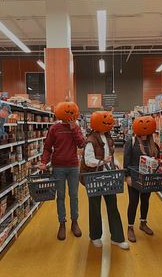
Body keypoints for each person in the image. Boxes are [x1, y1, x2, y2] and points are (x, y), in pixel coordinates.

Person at [80, 111, 129, 250]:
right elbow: (88, 161)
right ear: (96, 123)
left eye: (110, 121)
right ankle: (95, 236)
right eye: (105, 121)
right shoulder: (91, 140)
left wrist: (117, 163)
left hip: (109, 178)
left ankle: (117, 238)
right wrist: (102, 161)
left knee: (113, 206)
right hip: (94, 178)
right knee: (95, 208)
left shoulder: (108, 138)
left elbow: (110, 156)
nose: (109, 123)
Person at [40, 101, 85, 241]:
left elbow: (81, 143)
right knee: (60, 196)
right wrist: (43, 162)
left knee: (74, 195)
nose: (69, 114)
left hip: (73, 166)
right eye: (67, 111)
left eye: (71, 112)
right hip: (58, 167)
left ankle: (74, 222)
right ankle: (62, 223)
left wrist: (74, 128)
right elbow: (47, 147)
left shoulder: (76, 128)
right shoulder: (54, 128)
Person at [123, 115, 159, 243]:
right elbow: (126, 160)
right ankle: (130, 227)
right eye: (142, 123)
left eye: (148, 123)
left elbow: (156, 160)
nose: (145, 126)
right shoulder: (131, 142)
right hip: (134, 177)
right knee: (133, 201)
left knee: (145, 200)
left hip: (147, 178)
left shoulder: (153, 144)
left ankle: (143, 223)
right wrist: (126, 176)